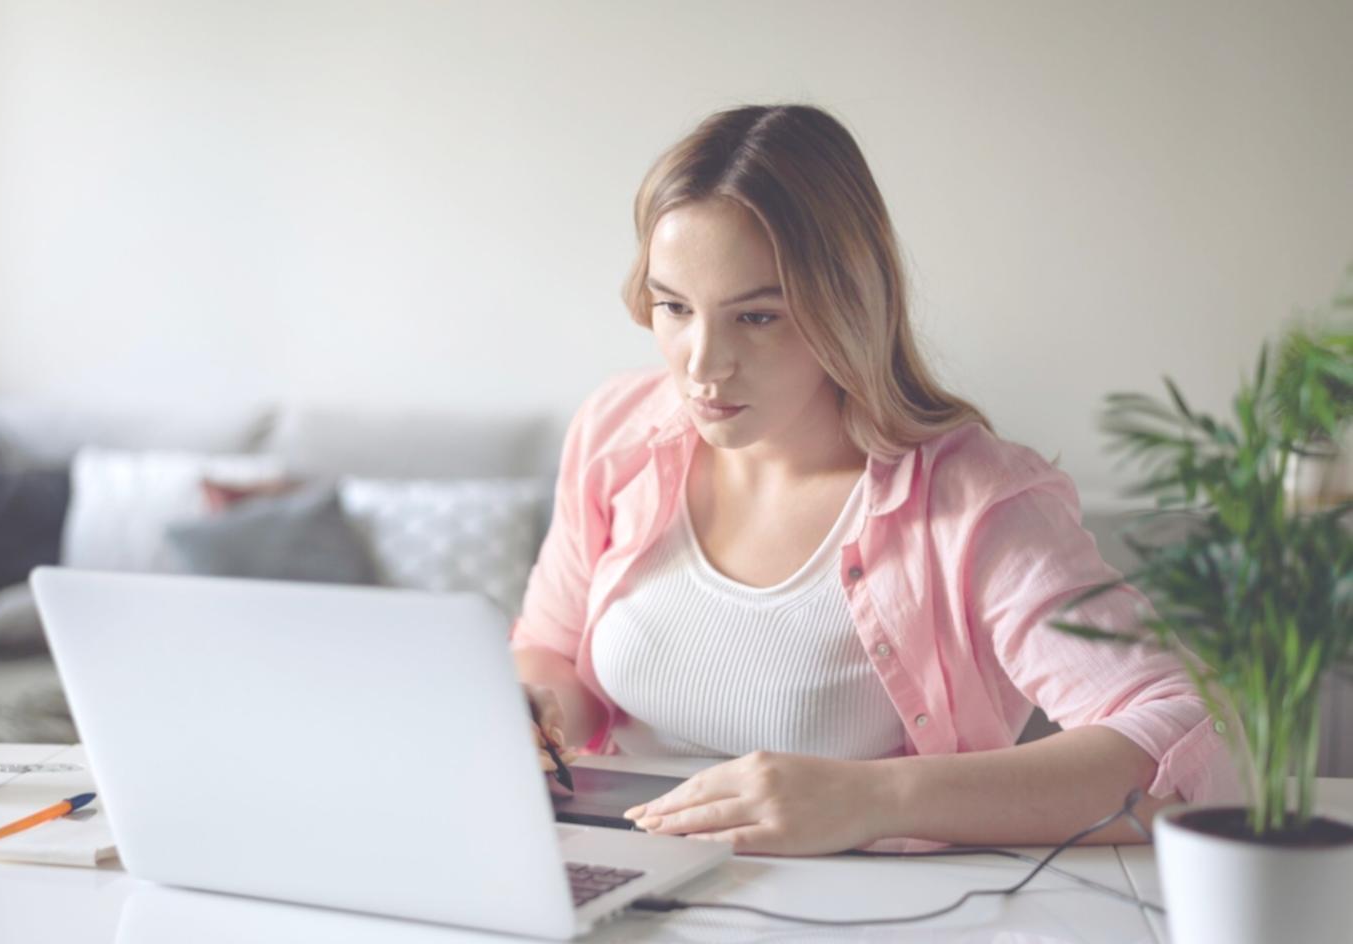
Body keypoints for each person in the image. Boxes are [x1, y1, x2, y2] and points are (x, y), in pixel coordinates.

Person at [509, 103, 1238, 857]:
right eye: (673, 307)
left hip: (853, 902)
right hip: (620, 868)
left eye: (757, 317)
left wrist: (872, 799)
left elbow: (1188, 738)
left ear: (846, 303)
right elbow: (548, 646)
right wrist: (532, 712)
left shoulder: (973, 501)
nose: (702, 364)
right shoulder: (617, 430)